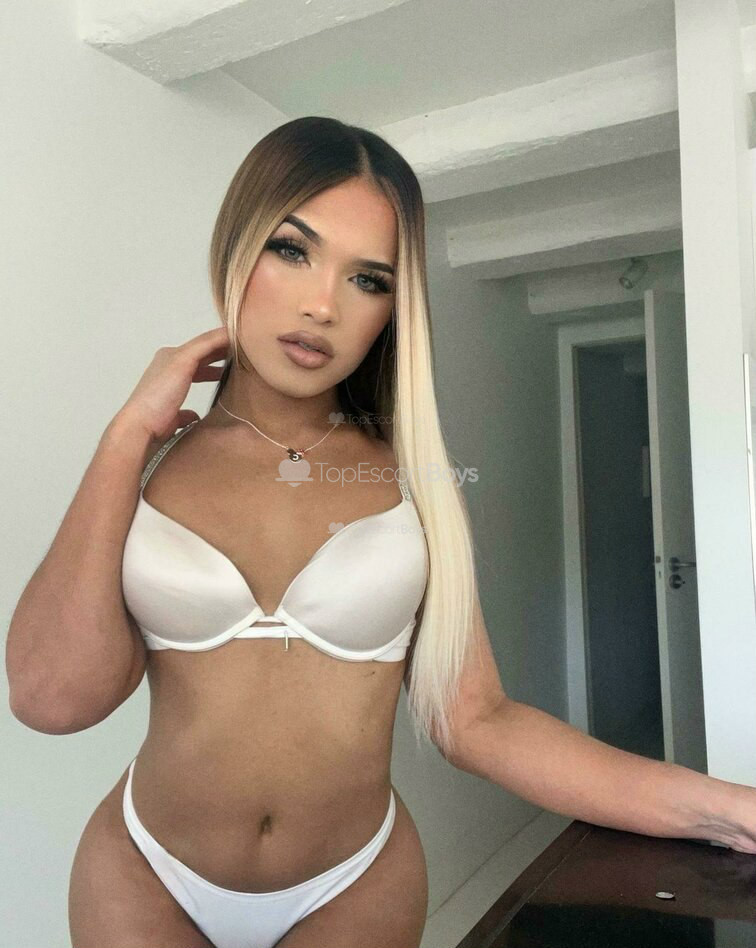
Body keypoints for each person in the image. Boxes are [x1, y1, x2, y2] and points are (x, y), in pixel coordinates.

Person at [7, 116, 756, 948]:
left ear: (393, 309)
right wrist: (123, 438)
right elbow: (52, 700)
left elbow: (478, 720)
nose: (322, 304)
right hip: (145, 872)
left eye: (368, 278)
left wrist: (728, 809)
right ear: (234, 248)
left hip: (351, 883)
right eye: (292, 250)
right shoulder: (148, 470)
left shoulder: (415, 484)